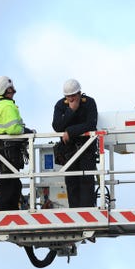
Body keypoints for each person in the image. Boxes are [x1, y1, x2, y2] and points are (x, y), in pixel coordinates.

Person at [52, 78, 98, 208]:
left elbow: (91, 124)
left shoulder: (89, 103)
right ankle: (75, 214)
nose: (71, 99)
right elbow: (57, 126)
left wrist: (70, 131)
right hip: (69, 151)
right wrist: (71, 111)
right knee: (72, 184)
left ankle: (88, 213)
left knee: (87, 183)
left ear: (79, 93)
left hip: (86, 150)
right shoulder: (61, 105)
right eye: (68, 96)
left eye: (73, 96)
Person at [0, 76, 35, 210]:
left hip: (5, 150)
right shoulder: (7, 105)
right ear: (6, 89)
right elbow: (13, 128)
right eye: (11, 88)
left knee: (12, 183)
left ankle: (10, 208)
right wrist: (27, 131)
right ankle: (8, 210)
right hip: (9, 151)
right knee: (9, 184)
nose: (13, 90)